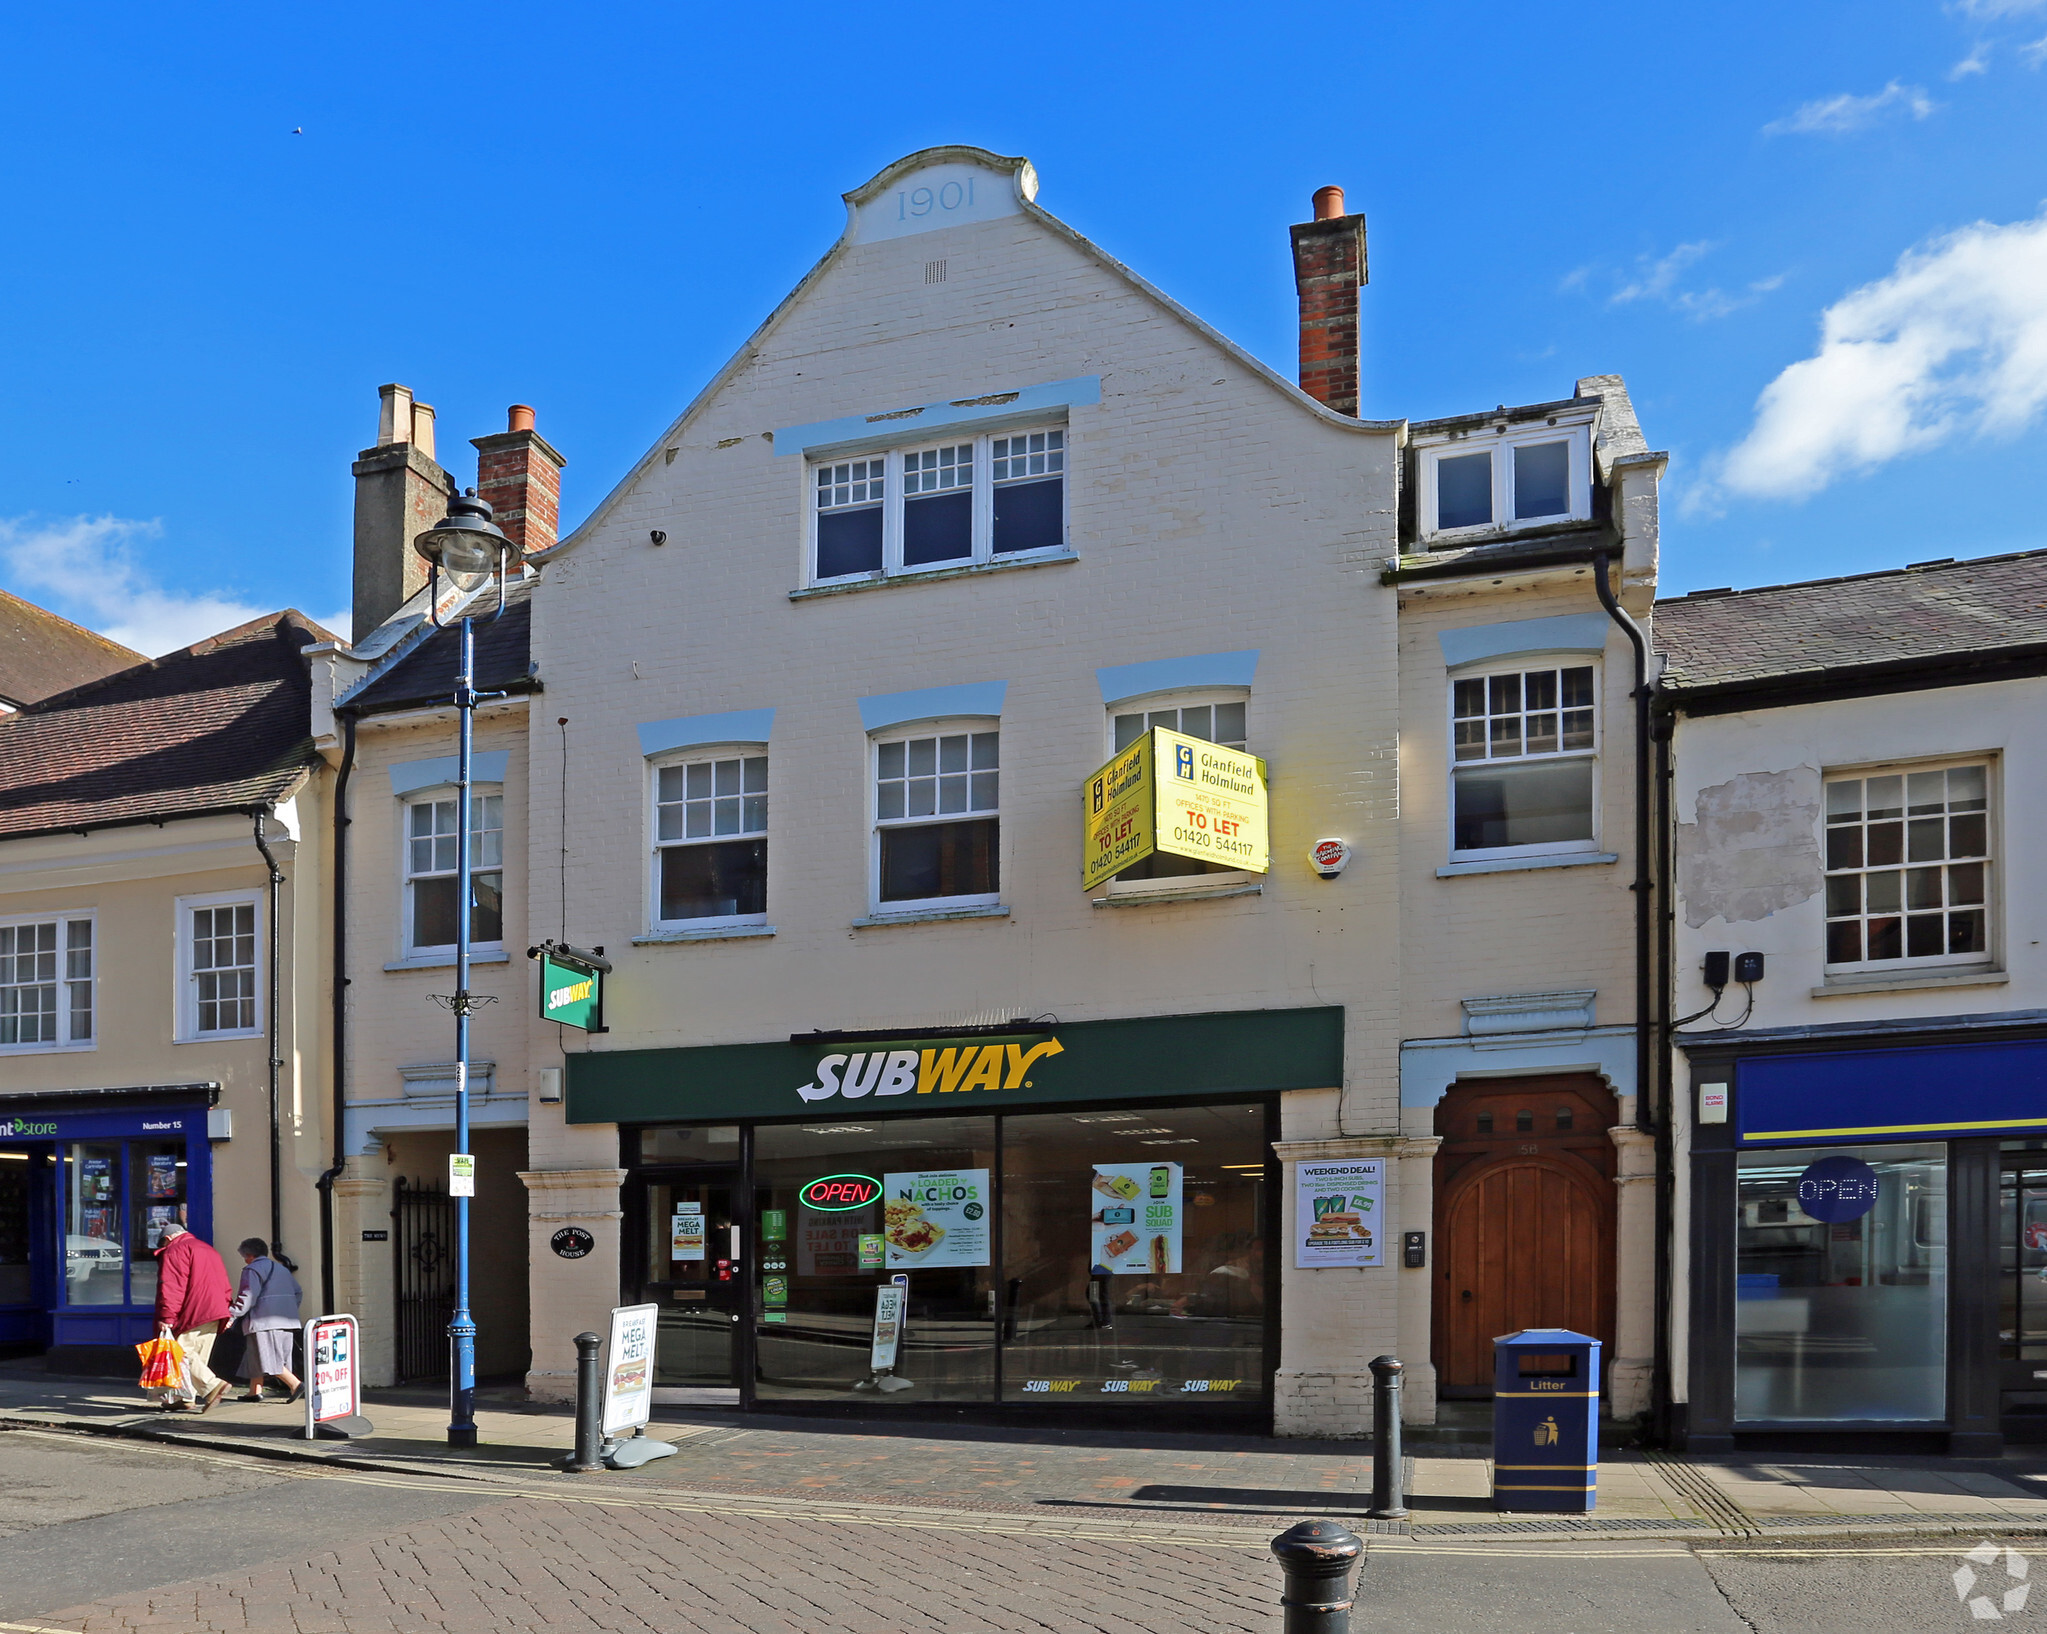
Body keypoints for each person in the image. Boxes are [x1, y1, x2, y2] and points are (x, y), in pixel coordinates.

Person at [153, 1222, 232, 1413]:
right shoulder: (208, 1250)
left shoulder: (174, 1250)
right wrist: (227, 1309)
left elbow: (172, 1287)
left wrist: (168, 1316)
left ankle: (213, 1386)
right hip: (216, 1310)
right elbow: (224, 1283)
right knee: (198, 1357)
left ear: (168, 1239)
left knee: (178, 1353)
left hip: (193, 1310)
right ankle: (186, 1398)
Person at [226, 1237, 303, 1402]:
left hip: (263, 1322)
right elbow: (298, 1291)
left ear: (249, 1255)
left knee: (268, 1359)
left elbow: (247, 1298)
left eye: (244, 1256)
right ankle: (254, 1391)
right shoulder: (281, 1269)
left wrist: (231, 1314)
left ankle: (296, 1385)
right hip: (286, 1320)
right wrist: (287, 1308)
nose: (245, 1260)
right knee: (256, 1356)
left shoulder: (252, 1270)